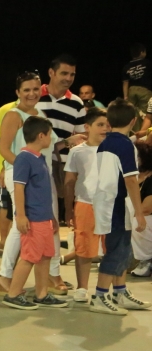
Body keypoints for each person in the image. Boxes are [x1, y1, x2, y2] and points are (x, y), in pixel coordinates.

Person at [0, 73, 64, 296]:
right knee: (20, 224)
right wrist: (24, 169)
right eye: (26, 90)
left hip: (41, 177)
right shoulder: (14, 115)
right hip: (22, 178)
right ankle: (4, 276)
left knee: (46, 225)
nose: (31, 93)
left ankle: (48, 276)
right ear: (18, 92)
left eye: (35, 89)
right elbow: (4, 149)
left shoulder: (40, 115)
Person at [91, 99, 151, 315]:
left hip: (108, 203)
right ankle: (99, 296)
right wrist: (139, 213)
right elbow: (130, 181)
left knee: (123, 248)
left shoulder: (106, 142)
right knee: (117, 250)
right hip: (116, 205)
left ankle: (119, 292)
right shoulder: (125, 145)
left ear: (108, 121)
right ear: (134, 121)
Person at [1, 116, 66, 309]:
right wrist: (20, 215)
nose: (51, 139)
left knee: (45, 256)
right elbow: (19, 188)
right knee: (29, 256)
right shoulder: (24, 159)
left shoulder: (40, 158)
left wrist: (52, 216)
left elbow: (43, 192)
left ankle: (42, 293)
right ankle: (13, 294)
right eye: (49, 135)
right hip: (33, 218)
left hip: (44, 217)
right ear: (41, 136)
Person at [64, 109, 109, 303]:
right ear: (87, 127)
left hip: (110, 205)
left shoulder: (115, 148)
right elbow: (69, 182)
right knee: (83, 247)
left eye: (108, 125)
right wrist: (68, 209)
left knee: (112, 248)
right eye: (100, 125)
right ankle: (82, 288)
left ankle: (110, 288)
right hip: (85, 204)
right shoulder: (77, 152)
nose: (105, 128)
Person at [37, 55, 87, 223]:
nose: (68, 78)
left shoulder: (77, 102)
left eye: (72, 74)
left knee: (62, 213)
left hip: (63, 166)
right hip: (37, 162)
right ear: (51, 72)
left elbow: (82, 137)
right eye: (64, 73)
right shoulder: (33, 96)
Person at [130, 142, 152, 277]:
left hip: (148, 218)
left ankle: (147, 259)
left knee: (137, 222)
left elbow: (147, 209)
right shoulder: (132, 176)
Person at [123, 43, 151, 116]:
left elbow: (125, 83)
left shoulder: (126, 66)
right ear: (142, 52)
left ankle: (135, 127)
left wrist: (126, 97)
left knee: (132, 113)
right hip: (144, 90)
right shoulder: (147, 63)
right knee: (147, 112)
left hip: (131, 91)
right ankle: (146, 127)